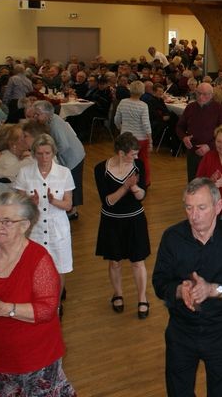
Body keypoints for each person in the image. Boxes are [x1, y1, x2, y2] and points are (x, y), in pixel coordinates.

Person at [152, 178, 222, 397]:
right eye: (189, 208)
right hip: (180, 332)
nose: (194, 215)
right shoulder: (172, 237)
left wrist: (212, 290)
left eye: (201, 207)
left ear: (218, 207)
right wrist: (179, 291)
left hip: (220, 333)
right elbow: (159, 282)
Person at [0, 191, 76, 395]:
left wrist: (4, 309)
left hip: (35, 361)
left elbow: (47, 310)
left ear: (25, 225)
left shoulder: (39, 259)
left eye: (7, 222)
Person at [14, 134, 74, 310]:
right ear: (34, 154)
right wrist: (30, 203)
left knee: (59, 268)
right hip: (35, 229)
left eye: (47, 153)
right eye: (39, 153)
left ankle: (56, 306)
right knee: (34, 268)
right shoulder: (25, 173)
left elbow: (68, 205)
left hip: (58, 229)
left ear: (53, 152)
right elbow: (19, 205)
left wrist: (54, 201)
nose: (44, 157)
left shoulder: (64, 173)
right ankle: (39, 303)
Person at [94, 132, 151, 319]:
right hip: (111, 221)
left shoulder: (138, 166)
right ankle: (117, 294)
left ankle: (142, 298)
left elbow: (142, 196)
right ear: (120, 153)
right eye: (133, 154)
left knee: (138, 262)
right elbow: (108, 201)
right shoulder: (100, 169)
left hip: (135, 220)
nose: (136, 156)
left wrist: (134, 187)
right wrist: (125, 186)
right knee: (115, 262)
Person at [33, 100, 85, 220]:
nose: (35, 117)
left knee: (73, 183)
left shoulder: (55, 125)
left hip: (74, 156)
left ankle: (72, 211)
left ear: (46, 114)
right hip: (71, 154)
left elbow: (64, 145)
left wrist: (50, 154)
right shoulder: (52, 119)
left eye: (37, 114)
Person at [176, 82, 222, 181]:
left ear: (211, 95)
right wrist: (184, 137)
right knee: (193, 180)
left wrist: (209, 146)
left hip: (212, 151)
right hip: (193, 151)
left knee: (211, 181)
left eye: (205, 94)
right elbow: (180, 126)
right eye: (198, 93)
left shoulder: (218, 109)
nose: (201, 97)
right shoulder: (190, 107)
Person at [0, 124, 33, 210]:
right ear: (12, 143)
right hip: (3, 207)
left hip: (2, 205)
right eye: (22, 137)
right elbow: (14, 184)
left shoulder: (6, 157)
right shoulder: (7, 159)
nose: (26, 139)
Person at [114, 80, 152, 186]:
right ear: (142, 91)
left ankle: (124, 181)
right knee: (144, 161)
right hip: (141, 138)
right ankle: (145, 182)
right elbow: (146, 124)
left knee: (125, 161)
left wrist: (121, 128)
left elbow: (116, 119)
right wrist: (150, 140)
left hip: (126, 138)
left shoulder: (123, 102)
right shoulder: (143, 105)